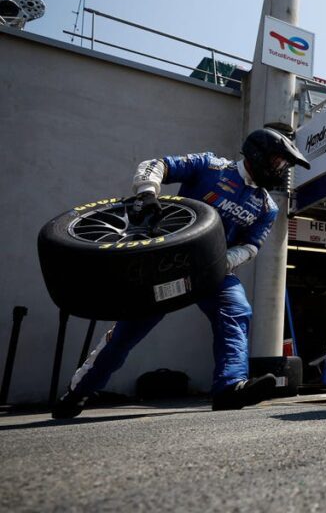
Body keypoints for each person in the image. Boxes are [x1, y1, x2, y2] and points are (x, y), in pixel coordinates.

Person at [52, 127, 311, 419]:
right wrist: (147, 192)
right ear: (257, 153)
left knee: (237, 310)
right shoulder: (211, 166)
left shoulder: (267, 207)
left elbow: (251, 247)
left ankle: (230, 388)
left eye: (285, 165)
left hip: (213, 271)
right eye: (279, 162)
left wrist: (218, 261)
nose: (282, 170)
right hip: (163, 263)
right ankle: (77, 393)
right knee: (127, 333)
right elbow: (157, 164)